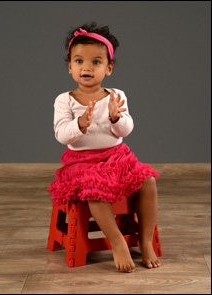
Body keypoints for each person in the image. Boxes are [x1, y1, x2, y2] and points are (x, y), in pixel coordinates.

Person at [47, 22, 161, 272]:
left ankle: (144, 239)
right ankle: (118, 241)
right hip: (82, 163)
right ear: (69, 67)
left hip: (118, 158)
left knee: (148, 181)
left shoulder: (116, 96)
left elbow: (126, 130)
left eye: (96, 62)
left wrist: (115, 118)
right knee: (94, 190)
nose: (86, 67)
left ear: (108, 68)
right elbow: (61, 134)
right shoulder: (64, 100)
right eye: (78, 61)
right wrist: (79, 124)